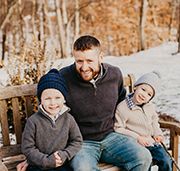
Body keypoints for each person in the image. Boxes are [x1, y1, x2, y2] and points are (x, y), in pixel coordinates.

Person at [17, 35, 152, 171]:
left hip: (112, 136)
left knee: (143, 157)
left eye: (89, 60)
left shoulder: (114, 74)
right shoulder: (63, 77)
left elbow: (123, 104)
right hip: (81, 143)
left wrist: (142, 130)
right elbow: (47, 113)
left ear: (100, 57)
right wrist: (33, 159)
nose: (84, 67)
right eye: (79, 61)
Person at [21, 68, 83, 171]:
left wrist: (64, 155)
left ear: (64, 99)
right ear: (41, 100)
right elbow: (27, 148)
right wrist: (45, 161)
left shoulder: (69, 119)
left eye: (57, 98)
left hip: (61, 164)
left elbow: (77, 141)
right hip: (38, 165)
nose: (52, 103)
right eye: (47, 98)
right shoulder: (33, 121)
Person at [114, 71, 172, 171]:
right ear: (135, 87)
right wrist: (137, 137)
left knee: (166, 160)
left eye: (149, 94)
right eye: (143, 89)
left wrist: (158, 134)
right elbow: (118, 128)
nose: (144, 95)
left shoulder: (150, 106)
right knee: (145, 162)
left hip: (151, 143)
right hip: (135, 145)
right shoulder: (123, 107)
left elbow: (154, 120)